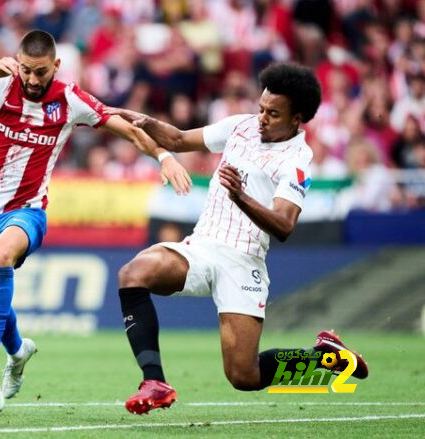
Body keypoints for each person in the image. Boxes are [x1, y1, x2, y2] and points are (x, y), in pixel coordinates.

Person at [0, 30, 191, 402]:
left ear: (56, 65)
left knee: (0, 257)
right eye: (27, 71)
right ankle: (18, 351)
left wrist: (163, 156)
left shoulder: (70, 99)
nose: (33, 80)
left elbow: (126, 130)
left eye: (41, 72)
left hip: (27, 210)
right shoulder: (0, 85)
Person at [107, 63, 370, 415]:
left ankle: (321, 357)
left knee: (244, 376)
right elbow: (178, 139)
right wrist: (143, 120)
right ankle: (154, 381)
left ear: (297, 119)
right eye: (262, 107)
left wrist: (241, 196)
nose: (262, 117)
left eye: (273, 113)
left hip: (243, 261)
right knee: (133, 274)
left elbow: (284, 226)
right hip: (201, 247)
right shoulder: (240, 126)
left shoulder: (297, 160)